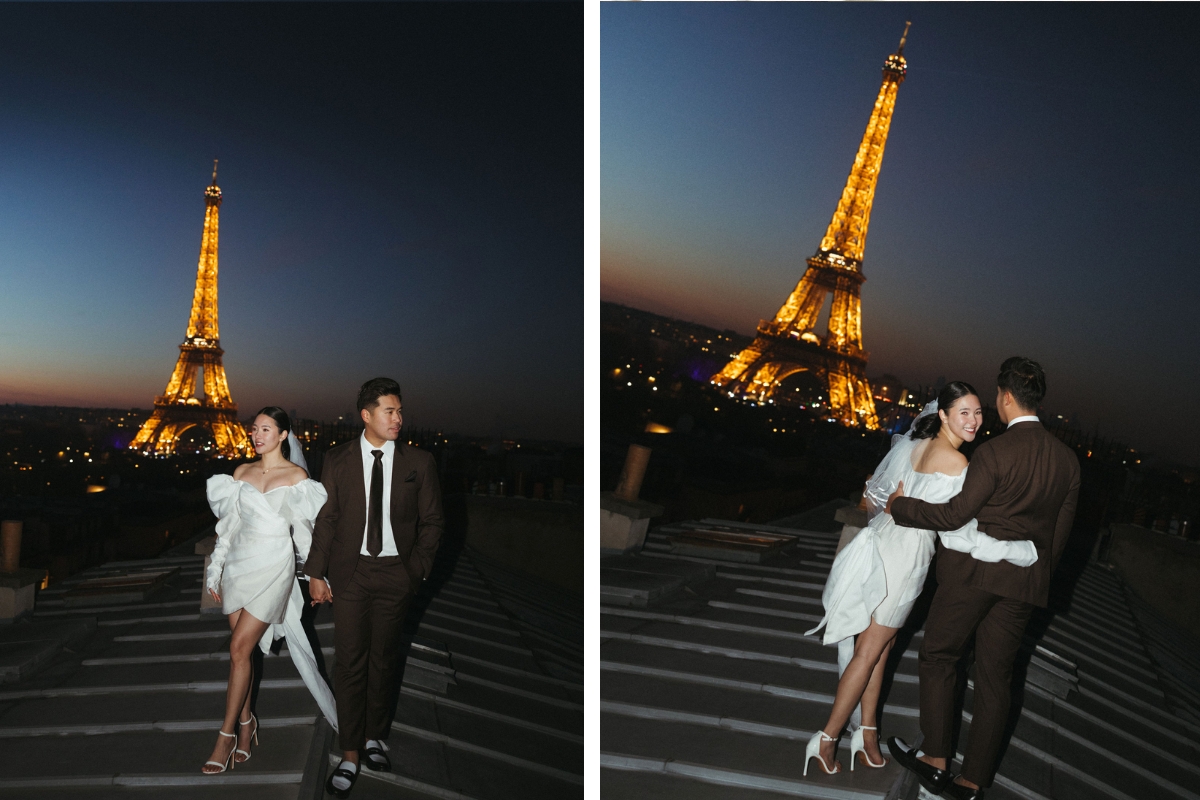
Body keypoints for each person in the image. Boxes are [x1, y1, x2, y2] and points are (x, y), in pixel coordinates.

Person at [802, 382, 1039, 779]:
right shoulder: (959, 465)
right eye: (964, 412)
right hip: (906, 559)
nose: (975, 421)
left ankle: (868, 732)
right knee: (870, 650)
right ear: (943, 415)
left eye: (979, 412)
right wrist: (1019, 551)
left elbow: (877, 498)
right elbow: (958, 535)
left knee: (880, 647)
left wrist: (896, 510)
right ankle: (826, 738)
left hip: (881, 545)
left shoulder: (913, 447)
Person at [885, 358, 1080, 800]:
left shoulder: (994, 452)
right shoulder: (1068, 462)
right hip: (1022, 584)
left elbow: (955, 516)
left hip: (971, 576)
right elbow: (1058, 540)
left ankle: (936, 761)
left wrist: (900, 507)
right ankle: (972, 783)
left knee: (939, 657)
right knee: (997, 680)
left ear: (1005, 397)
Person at [304, 377, 445, 798]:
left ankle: (373, 737)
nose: (399, 418)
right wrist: (315, 573)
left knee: (384, 658)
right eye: (390, 411)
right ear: (366, 415)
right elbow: (326, 519)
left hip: (395, 575)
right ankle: (349, 751)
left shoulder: (419, 462)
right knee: (349, 662)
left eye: (400, 411)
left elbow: (433, 522)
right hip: (351, 574)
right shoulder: (338, 458)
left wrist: (414, 571)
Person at [202, 407, 337, 774]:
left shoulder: (297, 477)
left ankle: (225, 736)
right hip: (239, 568)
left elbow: (305, 535)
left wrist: (316, 576)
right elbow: (229, 528)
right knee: (241, 656)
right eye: (254, 428)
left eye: (266, 429)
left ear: (283, 435)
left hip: (274, 569)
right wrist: (215, 570)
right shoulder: (240, 473)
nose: (257, 435)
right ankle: (247, 724)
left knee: (238, 649)